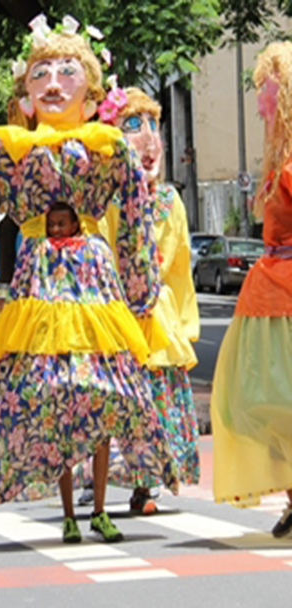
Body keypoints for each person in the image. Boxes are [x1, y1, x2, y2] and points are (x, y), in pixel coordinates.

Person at [0, 17, 177, 544]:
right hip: (39, 287)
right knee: (50, 400)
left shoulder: (108, 149)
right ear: (26, 92)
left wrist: (141, 287)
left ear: (91, 88)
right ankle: (71, 513)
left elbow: (140, 217)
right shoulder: (2, 153)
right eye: (41, 74)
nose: (53, 83)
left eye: (66, 71)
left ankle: (99, 505)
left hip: (95, 287)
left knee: (102, 393)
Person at [97, 87, 202, 514]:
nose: (148, 140)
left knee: (159, 395)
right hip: (121, 311)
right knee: (127, 399)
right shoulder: (107, 198)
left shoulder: (169, 200)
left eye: (152, 127)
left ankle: (152, 479)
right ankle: (130, 478)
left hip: (157, 314)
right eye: (133, 126)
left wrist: (182, 324)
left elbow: (178, 268)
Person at [210, 41, 292, 537]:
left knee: (275, 404)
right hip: (267, 301)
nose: (264, 108)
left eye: (271, 99)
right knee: (256, 405)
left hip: (282, 301)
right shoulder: (278, 166)